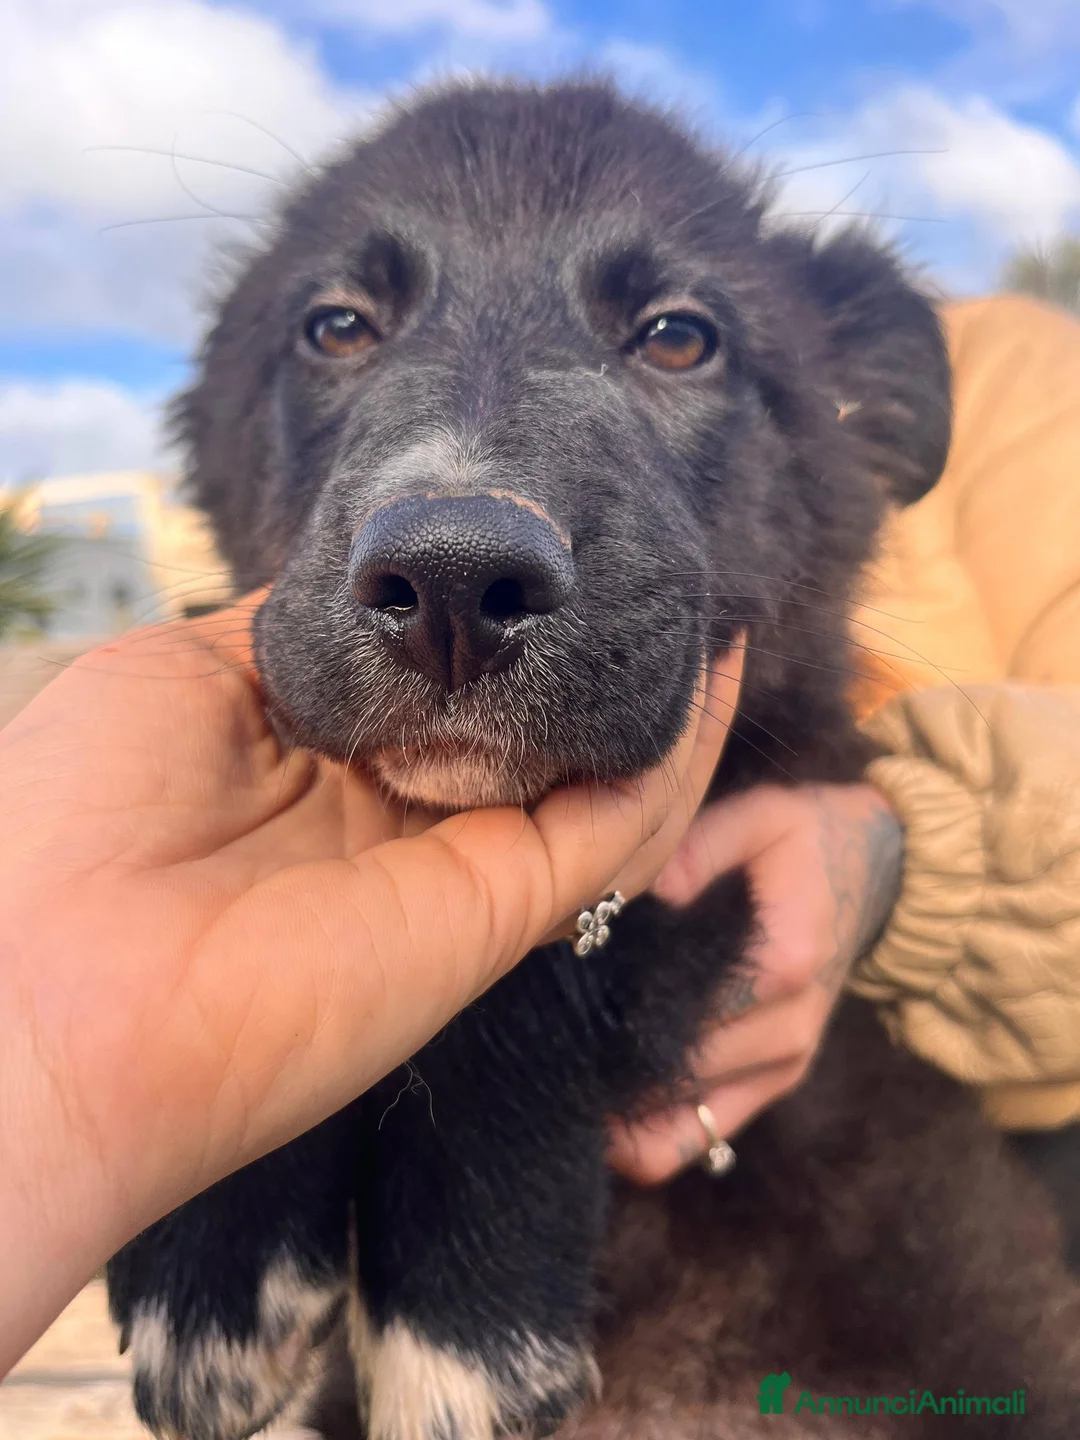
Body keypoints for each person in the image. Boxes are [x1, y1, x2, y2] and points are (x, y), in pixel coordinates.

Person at [1, 290, 1078, 1370]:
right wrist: (67, 1073)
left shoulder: (1007, 374)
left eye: (674, 339)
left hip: (976, 1188)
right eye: (341, 330)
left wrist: (916, 853)